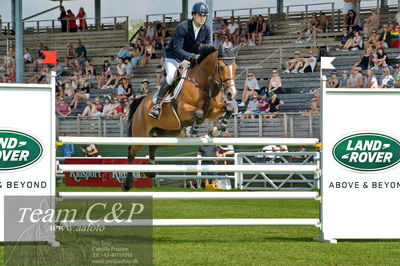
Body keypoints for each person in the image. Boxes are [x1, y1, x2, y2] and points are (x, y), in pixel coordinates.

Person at [149, 2, 210, 120]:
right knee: (171, 76)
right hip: (173, 56)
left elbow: (205, 49)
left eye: (204, 15)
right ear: (193, 15)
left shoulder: (206, 30)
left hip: (189, 59)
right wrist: (192, 57)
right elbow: (177, 49)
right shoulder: (183, 27)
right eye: (200, 15)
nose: (203, 18)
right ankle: (157, 105)